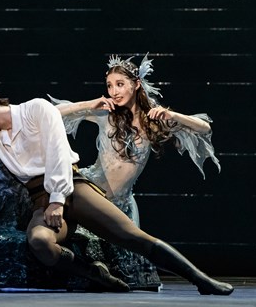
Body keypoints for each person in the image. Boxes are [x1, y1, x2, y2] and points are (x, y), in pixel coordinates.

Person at [0, 89, 234, 296]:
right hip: (41, 199)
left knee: (132, 236)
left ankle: (201, 279)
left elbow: (57, 154)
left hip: (72, 189)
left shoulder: (36, 109)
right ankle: (94, 274)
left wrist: (56, 200)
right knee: (39, 242)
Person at [49, 54, 220, 227]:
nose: (114, 92)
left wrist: (173, 115)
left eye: (120, 84)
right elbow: (52, 112)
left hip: (121, 205)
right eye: (109, 86)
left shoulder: (154, 120)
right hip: (91, 193)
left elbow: (205, 128)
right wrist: (88, 104)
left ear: (136, 84)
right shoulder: (105, 114)